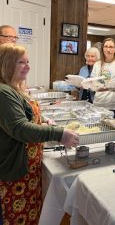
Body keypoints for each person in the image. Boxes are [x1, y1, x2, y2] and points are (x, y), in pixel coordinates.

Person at [0, 44, 79, 224]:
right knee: (17, 217)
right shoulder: (3, 92)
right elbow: (20, 128)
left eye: (28, 62)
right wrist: (59, 133)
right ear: (7, 64)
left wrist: (42, 121)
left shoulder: (14, 87)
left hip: (29, 168)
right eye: (22, 62)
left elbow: (26, 114)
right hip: (15, 172)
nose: (28, 66)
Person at [91, 38, 115, 118]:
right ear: (102, 48)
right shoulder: (97, 64)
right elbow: (93, 82)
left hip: (113, 106)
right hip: (98, 103)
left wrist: (106, 86)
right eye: (106, 46)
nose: (108, 49)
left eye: (111, 47)